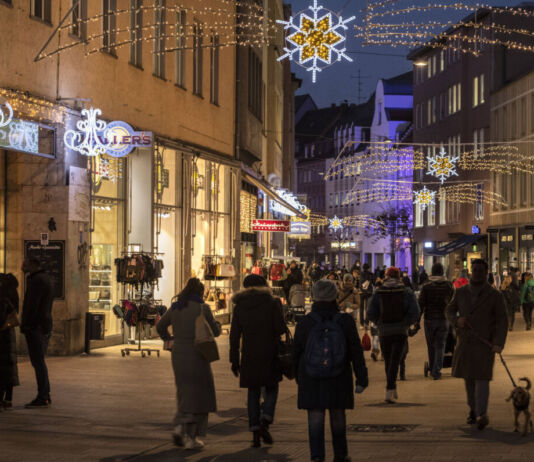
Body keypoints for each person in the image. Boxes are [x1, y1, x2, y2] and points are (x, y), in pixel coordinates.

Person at [293, 280, 368, 462]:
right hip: (339, 374)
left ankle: (317, 456)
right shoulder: (345, 321)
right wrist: (361, 377)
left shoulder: (305, 322)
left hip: (312, 376)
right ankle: (340, 455)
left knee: (315, 417)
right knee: (337, 415)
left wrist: (298, 375)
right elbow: (355, 351)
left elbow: (296, 352)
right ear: (335, 295)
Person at [157, 278, 221, 450]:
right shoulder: (203, 308)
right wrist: (219, 325)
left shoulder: (176, 307)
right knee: (200, 395)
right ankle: (191, 437)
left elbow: (160, 326)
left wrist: (168, 339)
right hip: (198, 353)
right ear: (200, 293)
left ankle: (179, 425)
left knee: (184, 391)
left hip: (178, 354)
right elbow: (215, 331)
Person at [446, 259, 508, 430]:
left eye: (481, 270)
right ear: (471, 271)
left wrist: (498, 343)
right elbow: (449, 310)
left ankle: (481, 413)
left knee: (482, 379)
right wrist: (456, 320)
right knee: (469, 379)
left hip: (485, 344)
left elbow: (502, 321)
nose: (478, 273)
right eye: (475, 270)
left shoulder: (495, 295)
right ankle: (473, 409)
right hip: (465, 342)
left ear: (486, 272)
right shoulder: (460, 292)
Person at [230, 274, 286, 448]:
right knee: (272, 388)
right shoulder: (272, 303)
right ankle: (266, 419)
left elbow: (234, 335)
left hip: (249, 354)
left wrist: (234, 359)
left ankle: (255, 433)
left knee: (253, 392)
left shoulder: (240, 306)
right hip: (270, 352)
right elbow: (280, 328)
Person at [367, 267, 420, 403]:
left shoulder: (379, 291)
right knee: (395, 359)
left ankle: (391, 388)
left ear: (386, 276)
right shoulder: (406, 291)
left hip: (384, 331)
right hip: (400, 331)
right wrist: (406, 323)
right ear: (399, 277)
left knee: (388, 359)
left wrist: (379, 322)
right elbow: (415, 312)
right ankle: (390, 388)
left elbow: (370, 313)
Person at [20, 257, 54, 408]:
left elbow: (33, 305)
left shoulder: (36, 281)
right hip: (43, 325)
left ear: (33, 264)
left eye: (25, 263)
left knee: (38, 362)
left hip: (36, 326)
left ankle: (43, 395)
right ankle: (45, 394)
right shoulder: (45, 279)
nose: (22, 265)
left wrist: (27, 324)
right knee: (39, 361)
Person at [418, 263, 455, 380]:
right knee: (440, 345)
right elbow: (453, 302)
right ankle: (436, 371)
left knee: (431, 346)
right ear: (442, 271)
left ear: (432, 271)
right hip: (444, 319)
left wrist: (416, 321)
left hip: (429, 319)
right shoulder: (449, 285)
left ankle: (433, 367)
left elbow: (421, 304)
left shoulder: (426, 286)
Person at [0, 273, 20, 409]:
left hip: (2, 337)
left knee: (2, 369)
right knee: (9, 368)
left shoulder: (3, 299)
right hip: (9, 335)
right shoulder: (13, 296)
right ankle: (8, 399)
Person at [358, 263, 374, 328]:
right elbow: (373, 282)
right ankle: (366, 323)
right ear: (368, 268)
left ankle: (361, 324)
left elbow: (359, 283)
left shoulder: (360, 274)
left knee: (361, 309)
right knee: (368, 308)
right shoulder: (371, 274)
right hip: (369, 292)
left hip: (361, 293)